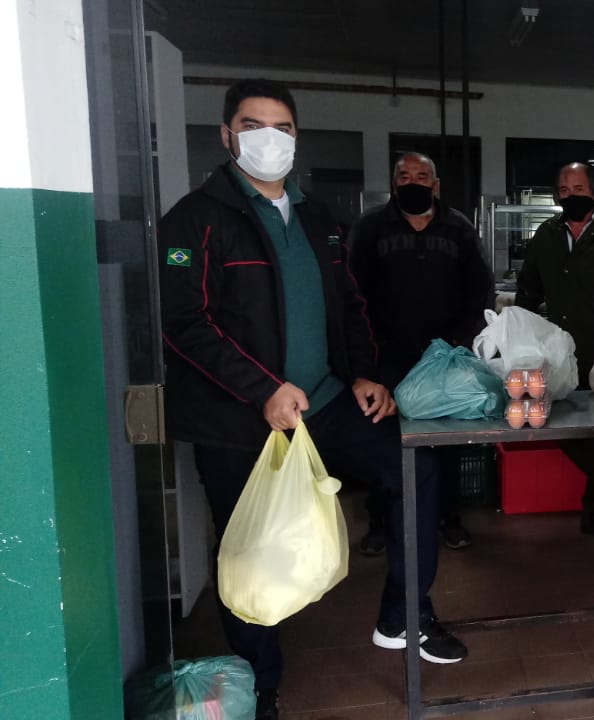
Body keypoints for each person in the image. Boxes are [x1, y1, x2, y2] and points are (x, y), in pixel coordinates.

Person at [158, 80, 467, 720]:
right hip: (237, 420)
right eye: (253, 126)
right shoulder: (196, 219)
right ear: (227, 135)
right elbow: (184, 323)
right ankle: (261, 685)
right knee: (248, 549)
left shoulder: (319, 219)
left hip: (325, 403)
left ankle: (403, 614)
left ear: (297, 137)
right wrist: (262, 389)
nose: (268, 139)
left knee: (414, 471)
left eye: (283, 128)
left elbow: (349, 306)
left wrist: (363, 373)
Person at [348, 152, 494, 551]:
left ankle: (448, 517)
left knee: (446, 442)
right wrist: (365, 355)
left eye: (422, 176)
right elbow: (351, 292)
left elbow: (480, 290)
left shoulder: (458, 228)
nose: (413, 183)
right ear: (394, 184)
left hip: (444, 358)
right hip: (386, 358)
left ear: (436, 185)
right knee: (383, 441)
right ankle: (381, 522)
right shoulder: (372, 227)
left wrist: (460, 344)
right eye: (405, 176)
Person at [515, 161, 594, 533]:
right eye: (563, 190)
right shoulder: (546, 234)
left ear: (593, 191)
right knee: (564, 426)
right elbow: (528, 289)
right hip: (557, 354)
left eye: (578, 189)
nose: (570, 196)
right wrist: (521, 335)